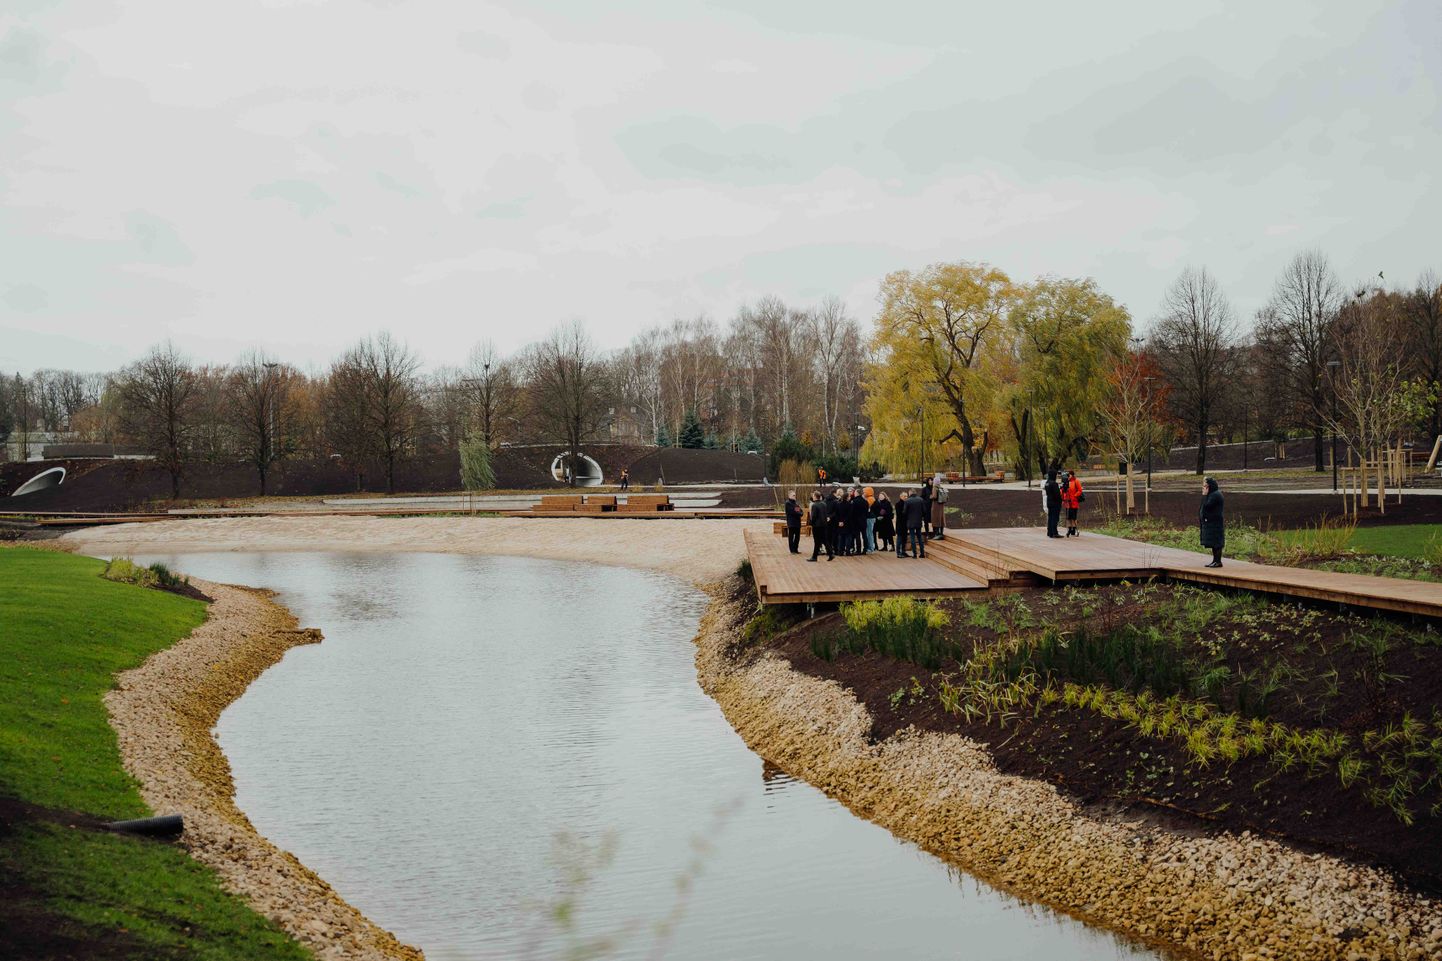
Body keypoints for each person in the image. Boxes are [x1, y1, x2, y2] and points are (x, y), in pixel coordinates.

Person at [1201, 477, 1225, 567]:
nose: (1204, 488)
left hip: (1215, 522)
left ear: (1209, 486)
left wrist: (1204, 495)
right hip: (1212, 522)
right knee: (1213, 542)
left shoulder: (1215, 495)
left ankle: (1218, 561)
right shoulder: (1213, 494)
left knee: (1217, 542)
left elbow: (1207, 506)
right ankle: (1215, 561)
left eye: (1205, 486)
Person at [807, 491, 833, 562]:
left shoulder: (814, 505)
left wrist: (811, 523)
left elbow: (814, 516)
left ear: (815, 496)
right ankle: (830, 553)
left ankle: (814, 557)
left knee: (817, 541)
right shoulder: (824, 504)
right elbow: (825, 514)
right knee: (824, 540)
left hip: (817, 526)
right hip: (824, 525)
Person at [904, 485, 928, 558]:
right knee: (919, 537)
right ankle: (922, 553)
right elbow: (924, 511)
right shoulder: (920, 500)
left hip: (910, 522)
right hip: (918, 521)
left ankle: (914, 554)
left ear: (910, 493)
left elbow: (904, 512)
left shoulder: (907, 501)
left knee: (912, 538)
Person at [1062, 470, 1085, 537]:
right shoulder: (1067, 482)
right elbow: (1064, 492)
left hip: (1074, 502)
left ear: (1072, 475)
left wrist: (1074, 496)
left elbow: (1080, 490)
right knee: (1068, 517)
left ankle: (1074, 530)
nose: (1068, 476)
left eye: (1069, 475)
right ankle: (1069, 529)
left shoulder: (1076, 481)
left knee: (1074, 517)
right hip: (1068, 502)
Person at [849, 486, 869, 556]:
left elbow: (852, 512)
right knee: (864, 535)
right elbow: (867, 512)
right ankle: (865, 549)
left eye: (855, 492)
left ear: (857, 493)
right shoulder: (865, 502)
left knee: (857, 536)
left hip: (856, 521)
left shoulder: (854, 501)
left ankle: (858, 550)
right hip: (863, 520)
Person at [825, 486, 843, 556]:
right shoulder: (835, 501)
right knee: (835, 536)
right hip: (834, 521)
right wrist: (831, 517)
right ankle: (835, 550)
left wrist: (827, 517)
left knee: (828, 536)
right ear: (834, 493)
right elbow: (836, 512)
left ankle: (828, 551)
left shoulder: (825, 500)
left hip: (826, 520)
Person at [1043, 471, 1062, 538]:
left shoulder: (1047, 483)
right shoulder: (1054, 484)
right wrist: (1060, 500)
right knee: (1055, 518)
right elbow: (1057, 495)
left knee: (1050, 518)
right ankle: (1055, 532)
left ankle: (1050, 532)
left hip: (1049, 502)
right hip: (1055, 503)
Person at [784, 490, 803, 554]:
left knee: (797, 537)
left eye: (795, 495)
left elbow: (800, 511)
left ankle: (796, 549)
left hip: (797, 522)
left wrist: (799, 512)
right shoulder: (788, 503)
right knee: (791, 537)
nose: (795, 496)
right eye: (793, 495)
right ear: (789, 496)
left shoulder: (796, 503)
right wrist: (799, 513)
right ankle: (792, 550)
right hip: (791, 522)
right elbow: (793, 512)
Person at [930, 472, 948, 540]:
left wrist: (930, 496)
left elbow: (934, 496)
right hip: (941, 505)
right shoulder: (941, 487)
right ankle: (941, 533)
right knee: (941, 518)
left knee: (936, 519)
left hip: (936, 505)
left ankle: (937, 534)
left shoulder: (934, 487)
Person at [894, 491, 910, 557]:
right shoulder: (898, 504)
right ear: (901, 497)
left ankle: (903, 551)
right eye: (904, 496)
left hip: (906, 524)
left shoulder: (907, 504)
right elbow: (899, 514)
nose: (906, 497)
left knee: (904, 539)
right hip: (900, 524)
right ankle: (898, 552)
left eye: (906, 496)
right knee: (899, 539)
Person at [863, 486, 878, 554]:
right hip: (870, 518)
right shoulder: (869, 498)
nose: (863, 493)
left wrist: (863, 498)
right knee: (868, 533)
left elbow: (866, 506)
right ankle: (870, 547)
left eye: (865, 491)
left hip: (869, 518)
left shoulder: (870, 499)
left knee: (869, 533)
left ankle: (871, 548)